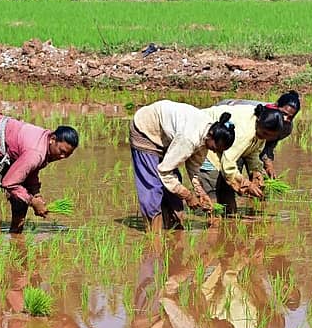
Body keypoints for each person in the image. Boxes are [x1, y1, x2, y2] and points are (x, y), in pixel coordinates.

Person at [0, 114, 78, 237]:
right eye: (62, 151)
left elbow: (30, 172)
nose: (62, 157)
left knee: (23, 192)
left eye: (67, 155)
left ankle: (16, 236)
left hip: (1, 139)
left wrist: (36, 194)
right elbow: (9, 182)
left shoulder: (44, 146)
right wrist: (33, 202)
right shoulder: (36, 153)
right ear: (52, 139)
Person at [129, 100, 235, 232]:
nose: (215, 151)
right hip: (145, 129)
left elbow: (194, 168)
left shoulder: (208, 134)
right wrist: (188, 196)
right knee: (153, 185)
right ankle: (153, 233)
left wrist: (200, 193)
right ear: (211, 136)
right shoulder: (189, 139)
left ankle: (173, 227)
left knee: (174, 185)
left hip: (166, 136)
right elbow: (164, 171)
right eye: (216, 147)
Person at [199, 104, 286, 216]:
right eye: (264, 134)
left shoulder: (260, 130)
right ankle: (214, 227)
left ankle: (227, 224)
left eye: (269, 137)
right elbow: (228, 163)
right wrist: (246, 185)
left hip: (220, 146)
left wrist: (256, 172)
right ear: (259, 121)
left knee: (227, 194)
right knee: (212, 193)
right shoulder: (245, 131)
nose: (265, 138)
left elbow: (252, 152)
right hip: (207, 141)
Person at [219, 90, 301, 177]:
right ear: (275, 105)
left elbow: (267, 146)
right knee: (232, 169)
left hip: (246, 141)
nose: (285, 119)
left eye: (290, 117)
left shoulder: (286, 128)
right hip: (226, 122)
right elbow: (237, 149)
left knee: (257, 174)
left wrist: (268, 165)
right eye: (283, 113)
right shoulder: (260, 115)